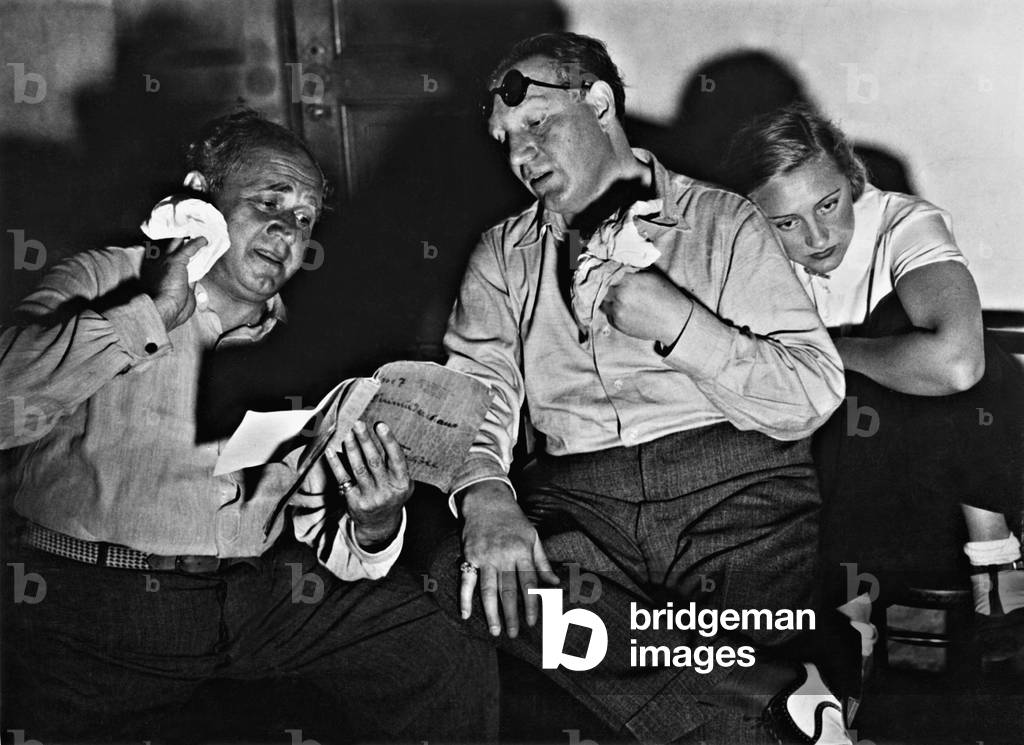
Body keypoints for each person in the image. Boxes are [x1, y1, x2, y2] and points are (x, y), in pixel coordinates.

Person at [0, 110, 497, 743]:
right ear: (198, 198)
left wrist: (374, 523)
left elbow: (324, 530)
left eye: (305, 219)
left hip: (256, 597)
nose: (286, 230)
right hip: (98, 599)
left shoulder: (311, 341)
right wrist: (152, 313)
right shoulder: (104, 278)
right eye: (269, 202)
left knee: (431, 643)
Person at [435, 32, 855, 745]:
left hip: (739, 500)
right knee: (462, 576)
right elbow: (474, 396)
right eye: (506, 139)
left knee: (719, 730)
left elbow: (814, 392)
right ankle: (770, 690)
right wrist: (485, 494)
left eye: (535, 123)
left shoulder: (724, 222)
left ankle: (745, 705)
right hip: (582, 512)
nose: (520, 154)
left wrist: (680, 324)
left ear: (598, 102)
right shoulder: (502, 257)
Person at [724, 102, 1024, 666]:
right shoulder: (746, 255)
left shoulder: (904, 222)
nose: (816, 236)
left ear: (852, 178)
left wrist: (831, 351)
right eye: (786, 222)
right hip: (854, 489)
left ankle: (977, 564)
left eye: (829, 204)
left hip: (963, 476)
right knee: (860, 396)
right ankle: (985, 572)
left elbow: (959, 365)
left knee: (916, 335)